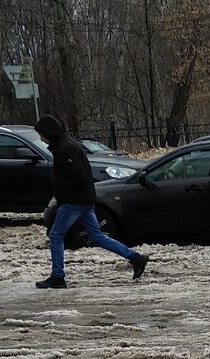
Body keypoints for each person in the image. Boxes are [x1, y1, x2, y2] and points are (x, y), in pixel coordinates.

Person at [33, 114, 148, 289]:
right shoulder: (68, 145)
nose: (41, 138)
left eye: (41, 134)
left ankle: (58, 276)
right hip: (84, 199)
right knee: (97, 237)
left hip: (74, 201)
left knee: (56, 235)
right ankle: (135, 257)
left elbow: (79, 175)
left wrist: (61, 191)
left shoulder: (64, 148)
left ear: (50, 132)